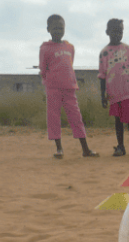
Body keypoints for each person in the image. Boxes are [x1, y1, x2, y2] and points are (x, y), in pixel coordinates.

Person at [40, 14, 98, 159]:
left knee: (76, 117)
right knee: (54, 118)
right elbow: (43, 69)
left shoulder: (70, 47)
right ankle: (59, 149)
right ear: (48, 29)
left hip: (70, 88)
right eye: (55, 28)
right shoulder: (45, 48)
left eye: (61, 28)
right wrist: (49, 84)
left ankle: (85, 149)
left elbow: (69, 64)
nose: (58, 30)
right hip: (53, 88)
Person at [99, 19, 129, 156]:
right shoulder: (104, 53)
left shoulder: (128, 50)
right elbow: (102, 76)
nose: (117, 34)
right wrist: (102, 95)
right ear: (107, 32)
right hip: (114, 94)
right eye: (114, 31)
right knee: (118, 121)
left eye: (120, 31)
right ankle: (120, 147)